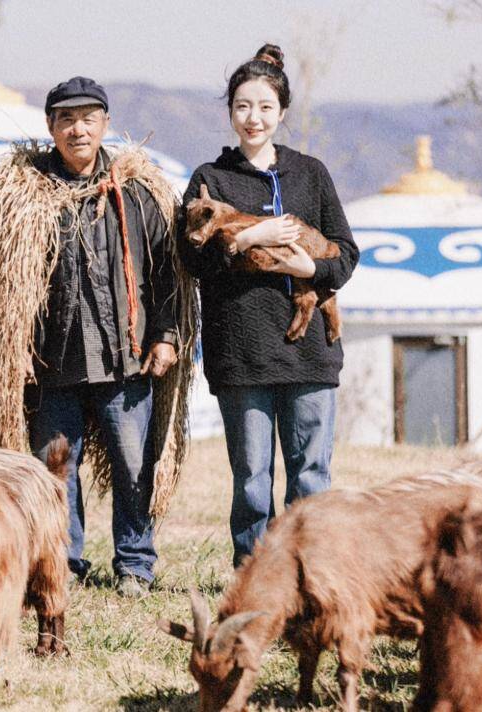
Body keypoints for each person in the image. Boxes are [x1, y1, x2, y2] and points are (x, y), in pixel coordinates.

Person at [0, 76, 193, 599]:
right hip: (53, 362)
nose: (78, 128)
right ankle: (63, 561)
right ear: (50, 128)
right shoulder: (25, 195)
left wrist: (166, 334)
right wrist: (11, 347)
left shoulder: (137, 194)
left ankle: (135, 564)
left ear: (105, 124)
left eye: (88, 118)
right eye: (66, 119)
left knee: (136, 466)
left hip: (126, 359)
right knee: (54, 470)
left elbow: (165, 275)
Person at [178, 44, 358, 568]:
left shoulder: (311, 174)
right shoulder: (211, 179)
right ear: (230, 111)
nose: (252, 117)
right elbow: (193, 263)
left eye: (263, 107)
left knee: (310, 474)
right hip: (242, 350)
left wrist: (312, 271)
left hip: (310, 356)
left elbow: (346, 254)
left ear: (281, 112)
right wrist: (248, 235)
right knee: (253, 477)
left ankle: (311, 572)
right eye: (241, 106)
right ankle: (255, 575)